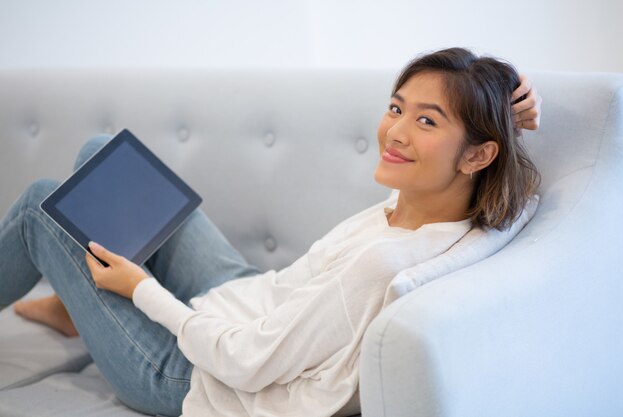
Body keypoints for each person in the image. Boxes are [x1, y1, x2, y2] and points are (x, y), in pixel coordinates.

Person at [0, 47, 541, 417]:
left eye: (426, 121)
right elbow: (522, 193)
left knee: (37, 207)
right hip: (250, 293)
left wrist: (140, 290)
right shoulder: (439, 203)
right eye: (396, 108)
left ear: (478, 154)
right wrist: (514, 101)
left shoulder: (382, 265)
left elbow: (246, 364)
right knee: (100, 153)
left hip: (190, 374)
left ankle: (89, 299)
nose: (395, 132)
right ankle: (78, 307)